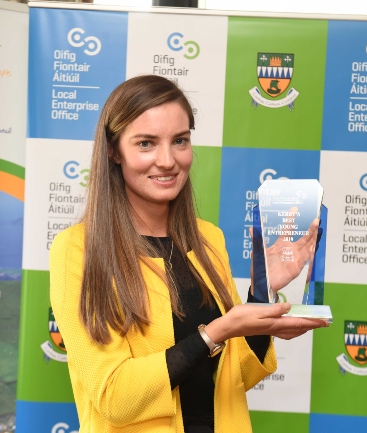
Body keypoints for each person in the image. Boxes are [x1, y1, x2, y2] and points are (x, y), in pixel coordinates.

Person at [49, 75, 329, 433]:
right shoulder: (79, 249)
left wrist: (261, 293)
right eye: (146, 143)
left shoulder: (208, 239)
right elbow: (113, 398)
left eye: (179, 140)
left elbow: (233, 378)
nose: (167, 160)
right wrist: (216, 332)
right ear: (113, 150)